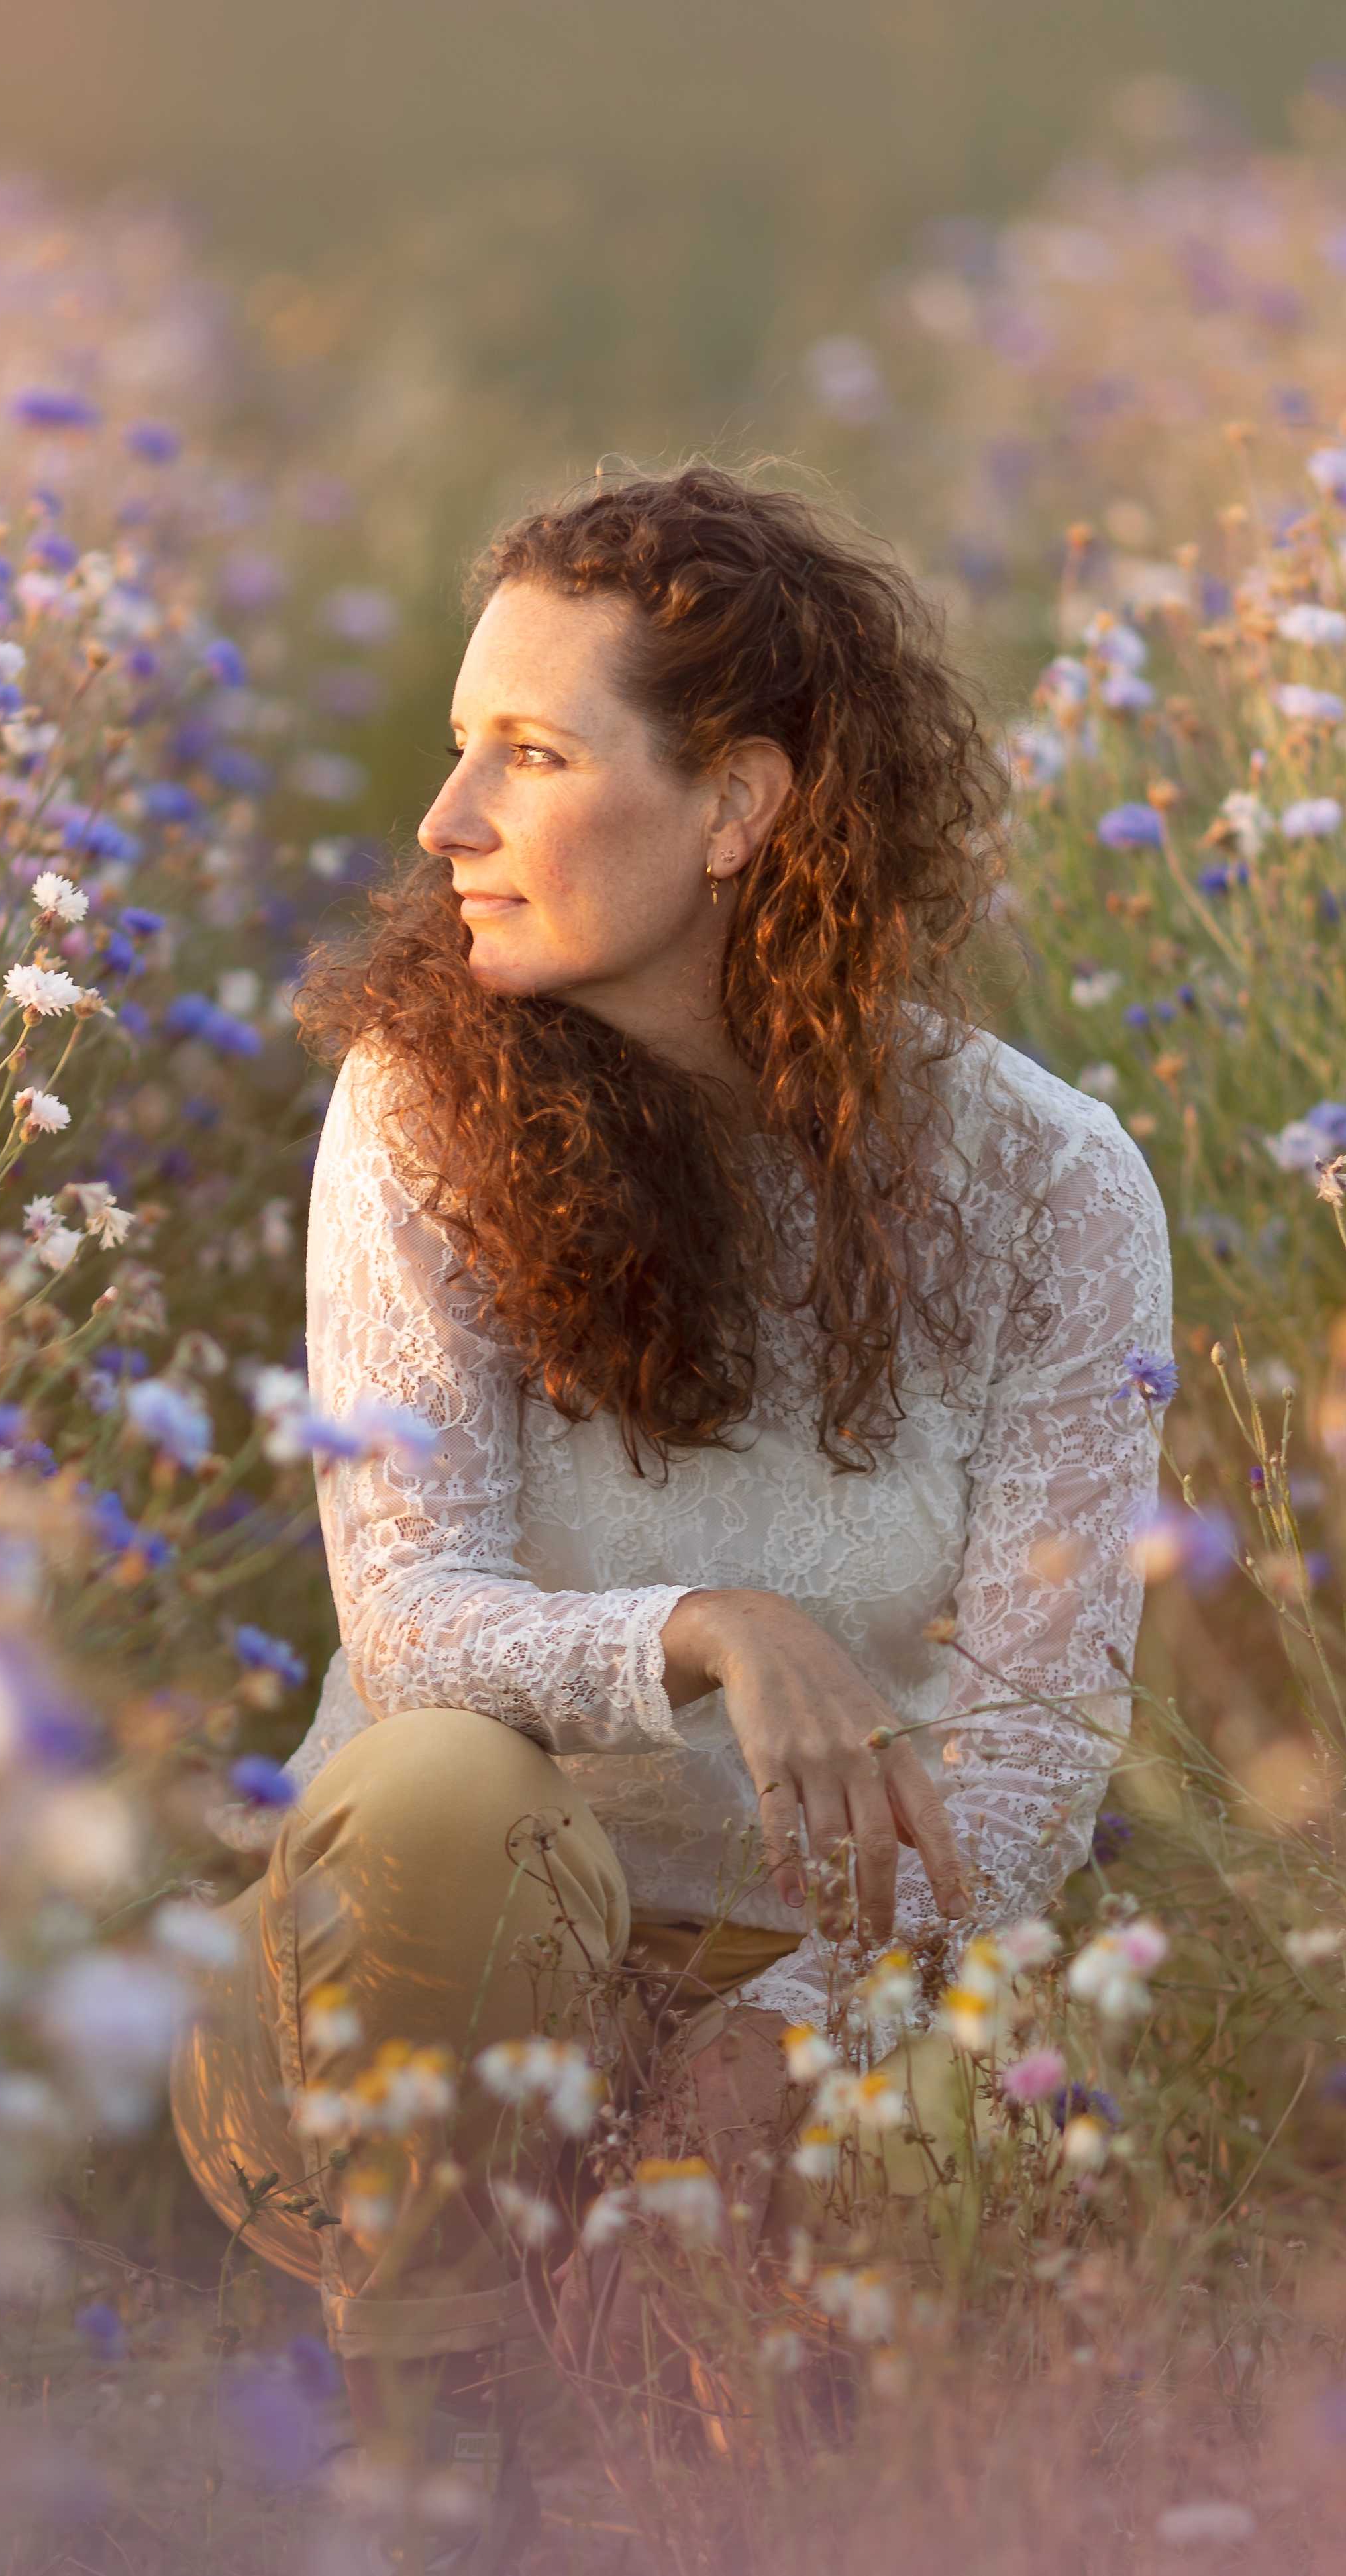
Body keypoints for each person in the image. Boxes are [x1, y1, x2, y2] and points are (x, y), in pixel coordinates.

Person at [168, 461, 1173, 2554]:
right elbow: (410, 1614)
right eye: (459, 752)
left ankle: (717, 2381)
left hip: (835, 1994)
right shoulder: (420, 1108)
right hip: (425, 2010)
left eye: (525, 758)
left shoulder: (1045, 1183)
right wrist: (703, 1626)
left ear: (734, 809)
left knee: (913, 2299)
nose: (445, 828)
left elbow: (1040, 1735)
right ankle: (433, 2433)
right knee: (439, 1781)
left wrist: (792, 2031)